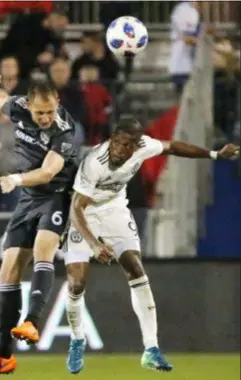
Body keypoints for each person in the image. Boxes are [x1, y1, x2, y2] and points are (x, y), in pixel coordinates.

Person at [62, 117, 239, 374]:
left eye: (128, 146)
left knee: (136, 269)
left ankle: (151, 349)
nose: (121, 151)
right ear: (112, 140)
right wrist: (95, 244)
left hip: (114, 211)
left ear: (137, 146)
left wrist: (214, 154)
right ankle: (77, 339)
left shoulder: (144, 145)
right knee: (77, 283)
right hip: (84, 214)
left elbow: (174, 147)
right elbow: (76, 206)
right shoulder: (94, 162)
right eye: (118, 144)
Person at [0, 77, 78, 378]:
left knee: (44, 250)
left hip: (56, 196)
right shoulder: (18, 107)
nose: (45, 118)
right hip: (28, 200)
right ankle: (3, 356)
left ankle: (31, 321)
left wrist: (15, 180)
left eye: (49, 111)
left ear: (57, 101)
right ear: (28, 105)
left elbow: (47, 172)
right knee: (8, 269)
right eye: (39, 113)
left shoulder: (65, 131)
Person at [0, 11, 68, 79]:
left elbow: (59, 49)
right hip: (5, 68)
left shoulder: (52, 33)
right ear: (53, 18)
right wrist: (38, 57)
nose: (61, 29)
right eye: (60, 25)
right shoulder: (25, 23)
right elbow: (18, 49)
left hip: (26, 72)